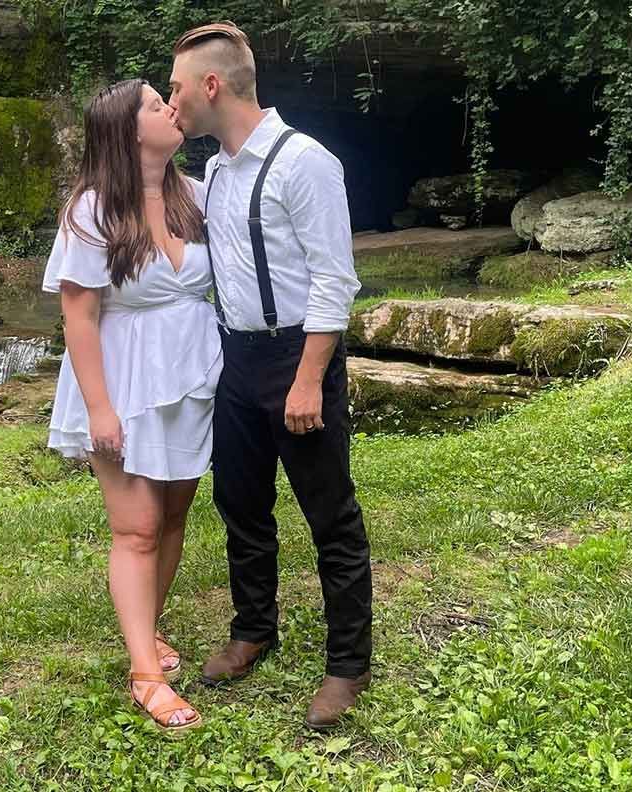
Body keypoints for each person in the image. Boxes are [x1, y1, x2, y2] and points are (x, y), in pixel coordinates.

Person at [168, 21, 374, 729]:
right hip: (237, 359)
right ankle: (254, 628)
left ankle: (348, 663)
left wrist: (309, 379)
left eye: (176, 88)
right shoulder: (217, 173)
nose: (172, 101)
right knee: (241, 505)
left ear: (211, 85)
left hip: (297, 357)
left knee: (330, 513)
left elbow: (334, 280)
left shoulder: (303, 162)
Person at [42, 78, 221, 732]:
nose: (169, 108)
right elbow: (79, 318)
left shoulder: (196, 194)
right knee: (137, 527)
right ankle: (146, 674)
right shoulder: (92, 209)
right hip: (123, 381)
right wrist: (100, 409)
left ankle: (147, 629)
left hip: (192, 373)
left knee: (173, 516)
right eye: (153, 104)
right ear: (125, 131)